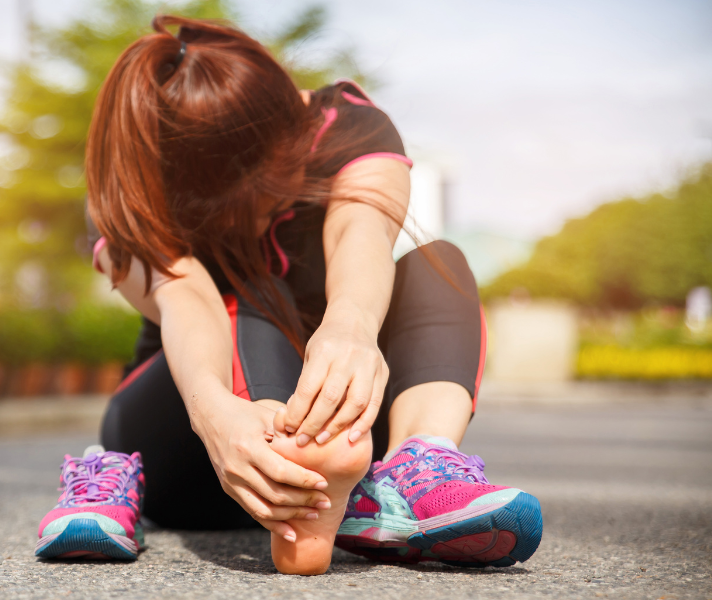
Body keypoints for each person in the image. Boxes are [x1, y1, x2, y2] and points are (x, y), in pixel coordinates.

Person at [34, 15, 542, 575]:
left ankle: (416, 471)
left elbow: (361, 231)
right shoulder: (131, 191)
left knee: (439, 261)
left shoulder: (345, 125)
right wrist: (215, 417)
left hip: (344, 443)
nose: (263, 200)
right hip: (187, 442)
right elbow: (189, 301)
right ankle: (277, 461)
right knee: (253, 290)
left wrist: (350, 327)